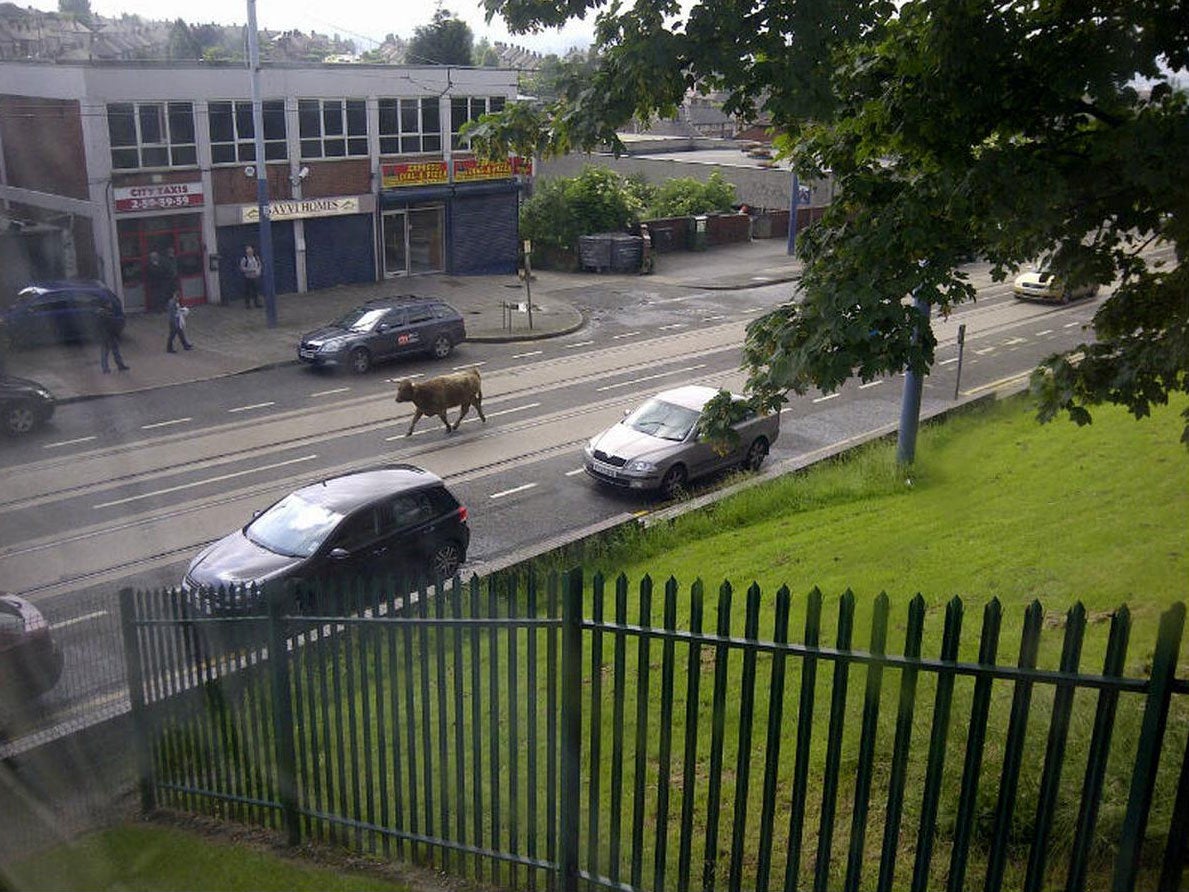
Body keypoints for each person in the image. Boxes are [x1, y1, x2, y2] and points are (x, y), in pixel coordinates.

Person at [98, 305, 129, 373]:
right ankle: (119, 366)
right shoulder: (108, 318)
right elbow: (115, 324)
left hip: (105, 338)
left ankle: (105, 369)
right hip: (110, 337)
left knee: (105, 354)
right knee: (115, 352)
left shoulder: (100, 318)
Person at [166, 289, 192, 353]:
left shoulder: (175, 302)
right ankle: (169, 348)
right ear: (175, 296)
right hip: (173, 321)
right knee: (172, 335)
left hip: (177, 320)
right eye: (177, 297)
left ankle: (185, 345)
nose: (178, 298)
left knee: (180, 333)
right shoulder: (172, 302)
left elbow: (177, 310)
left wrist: (181, 310)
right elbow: (173, 313)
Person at [239, 245, 262, 309]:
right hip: (248, 277)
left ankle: (257, 303)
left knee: (256, 291)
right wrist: (250, 270)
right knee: (247, 291)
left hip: (255, 277)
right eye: (248, 252)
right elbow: (242, 268)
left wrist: (258, 271)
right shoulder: (244, 259)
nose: (250, 253)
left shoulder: (256, 258)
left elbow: (259, 265)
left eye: (251, 251)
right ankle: (248, 304)